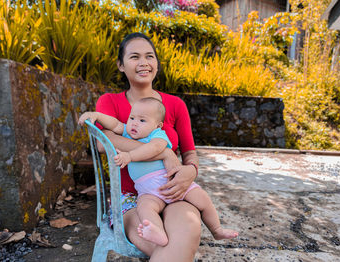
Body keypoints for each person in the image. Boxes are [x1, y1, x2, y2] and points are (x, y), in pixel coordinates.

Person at [85, 32, 233, 261]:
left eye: (150, 56)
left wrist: (189, 171)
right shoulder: (110, 101)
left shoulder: (175, 105)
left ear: (156, 63)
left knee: (188, 231)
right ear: (121, 65)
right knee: (164, 245)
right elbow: (104, 142)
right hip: (131, 200)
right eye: (134, 57)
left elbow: (189, 152)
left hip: (171, 188)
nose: (144, 63)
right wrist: (163, 151)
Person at [78, 97, 238, 247]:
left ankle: (216, 229)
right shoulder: (128, 131)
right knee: (144, 207)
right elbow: (114, 125)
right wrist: (97, 115)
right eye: (132, 118)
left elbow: (153, 149)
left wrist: (130, 155)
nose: (134, 123)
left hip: (171, 183)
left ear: (157, 125)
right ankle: (157, 232)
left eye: (142, 120)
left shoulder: (158, 136)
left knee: (202, 199)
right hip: (148, 190)